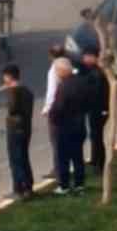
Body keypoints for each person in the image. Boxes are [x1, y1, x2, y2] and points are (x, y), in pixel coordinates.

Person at [48, 58, 87, 195]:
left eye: (57, 71)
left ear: (62, 71)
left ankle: (64, 185)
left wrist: (52, 117)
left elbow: (58, 107)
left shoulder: (63, 87)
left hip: (65, 127)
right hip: (80, 124)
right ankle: (79, 184)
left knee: (63, 157)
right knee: (78, 157)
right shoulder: (81, 82)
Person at [1, 64, 35, 200]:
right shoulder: (27, 90)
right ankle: (28, 186)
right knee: (24, 158)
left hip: (15, 129)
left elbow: (12, 109)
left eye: (5, 77)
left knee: (16, 160)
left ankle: (19, 189)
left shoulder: (14, 91)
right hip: (26, 127)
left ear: (9, 76)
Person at [78, 49, 110, 175]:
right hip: (94, 109)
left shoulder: (99, 73)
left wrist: (104, 110)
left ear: (94, 57)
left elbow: (98, 93)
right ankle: (94, 159)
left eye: (87, 56)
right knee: (94, 135)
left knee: (97, 137)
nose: (84, 59)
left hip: (99, 110)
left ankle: (100, 163)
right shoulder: (90, 70)